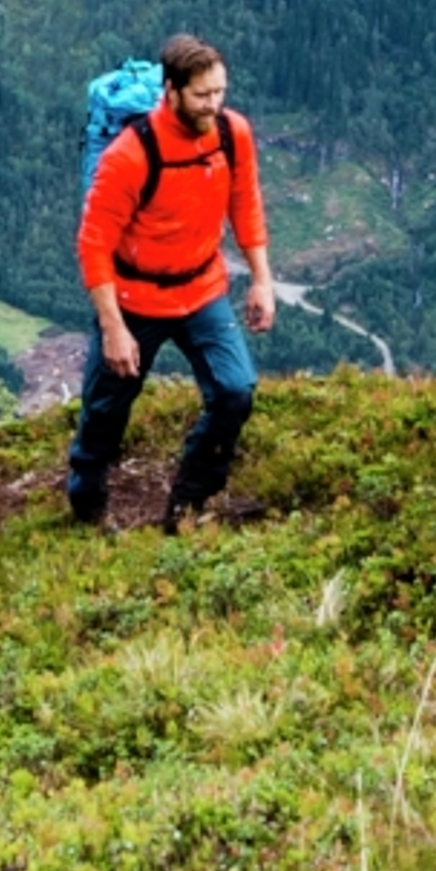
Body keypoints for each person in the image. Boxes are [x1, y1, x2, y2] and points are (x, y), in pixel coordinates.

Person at [66, 33, 276, 534]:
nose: (214, 104)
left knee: (235, 391)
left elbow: (245, 204)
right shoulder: (129, 156)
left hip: (202, 289)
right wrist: (114, 327)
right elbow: (94, 245)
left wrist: (262, 280)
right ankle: (87, 505)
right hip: (135, 299)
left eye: (220, 91)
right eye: (203, 95)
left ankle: (188, 502)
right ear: (172, 91)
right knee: (105, 409)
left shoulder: (233, 133)